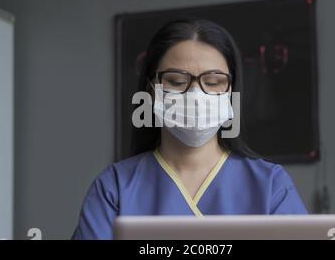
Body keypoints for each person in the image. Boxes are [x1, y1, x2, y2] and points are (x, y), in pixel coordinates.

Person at [72, 18, 307, 240]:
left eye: (213, 82)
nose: (196, 94)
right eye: (176, 81)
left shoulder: (270, 186)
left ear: (230, 92)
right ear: (152, 91)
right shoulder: (115, 188)